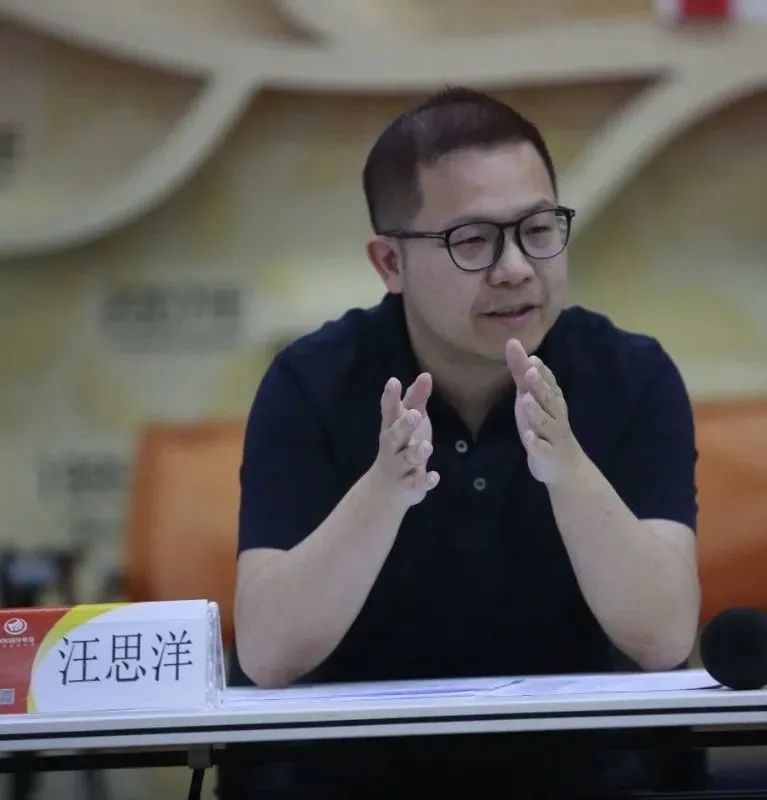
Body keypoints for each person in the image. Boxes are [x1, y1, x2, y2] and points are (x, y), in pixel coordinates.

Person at [220, 87, 702, 798]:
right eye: (472, 241)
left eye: (538, 229)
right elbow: (267, 654)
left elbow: (663, 638)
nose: (515, 268)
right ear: (390, 263)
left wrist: (567, 467)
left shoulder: (632, 374)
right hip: (355, 777)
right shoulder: (311, 383)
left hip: (581, 772)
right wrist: (383, 490)